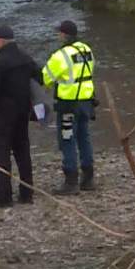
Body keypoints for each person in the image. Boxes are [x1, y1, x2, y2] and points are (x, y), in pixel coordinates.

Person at [0, 26, 41, 208]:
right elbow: (41, 77)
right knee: (23, 152)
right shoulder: (25, 58)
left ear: (0, 41)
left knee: (2, 154)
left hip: (3, 114)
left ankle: (4, 196)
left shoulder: (0, 62)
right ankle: (26, 193)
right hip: (23, 112)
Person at [42, 20, 96, 195]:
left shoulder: (61, 55)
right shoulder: (87, 50)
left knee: (67, 140)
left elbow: (45, 78)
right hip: (86, 102)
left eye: (59, 33)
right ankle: (88, 178)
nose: (58, 36)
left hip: (68, 105)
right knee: (84, 137)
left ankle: (70, 181)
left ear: (64, 35)